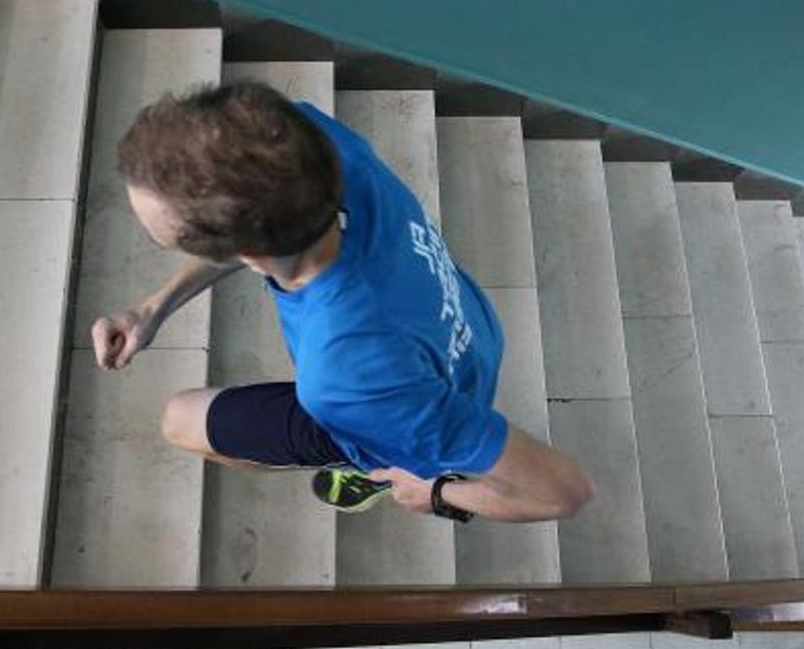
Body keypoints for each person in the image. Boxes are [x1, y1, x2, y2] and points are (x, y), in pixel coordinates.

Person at [89, 80, 594, 523]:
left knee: (180, 422)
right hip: (472, 333)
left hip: (396, 401)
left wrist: (437, 493)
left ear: (251, 256)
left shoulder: (344, 375)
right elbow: (256, 226)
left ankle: (372, 470)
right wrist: (152, 309)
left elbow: (563, 492)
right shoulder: (302, 141)